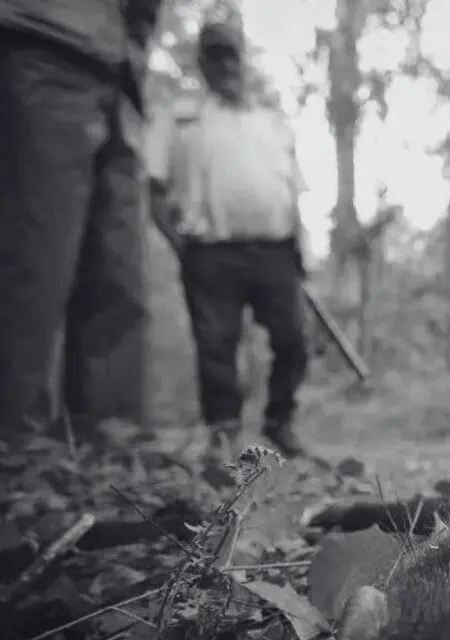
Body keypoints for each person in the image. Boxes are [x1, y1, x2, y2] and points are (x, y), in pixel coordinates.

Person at [0, 0, 164, 442]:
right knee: (32, 256)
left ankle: (110, 439)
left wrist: (134, 46)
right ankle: (6, 442)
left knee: (118, 272)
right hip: (35, 32)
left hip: (117, 67)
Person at [146, 20, 311, 459]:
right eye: (215, 57)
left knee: (293, 338)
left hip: (275, 251)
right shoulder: (180, 117)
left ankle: (279, 422)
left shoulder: (271, 122)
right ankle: (223, 432)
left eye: (231, 56)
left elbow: (291, 192)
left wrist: (300, 249)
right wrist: (177, 242)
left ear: (243, 59)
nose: (226, 66)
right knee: (216, 345)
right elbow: (153, 187)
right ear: (202, 63)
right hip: (209, 252)